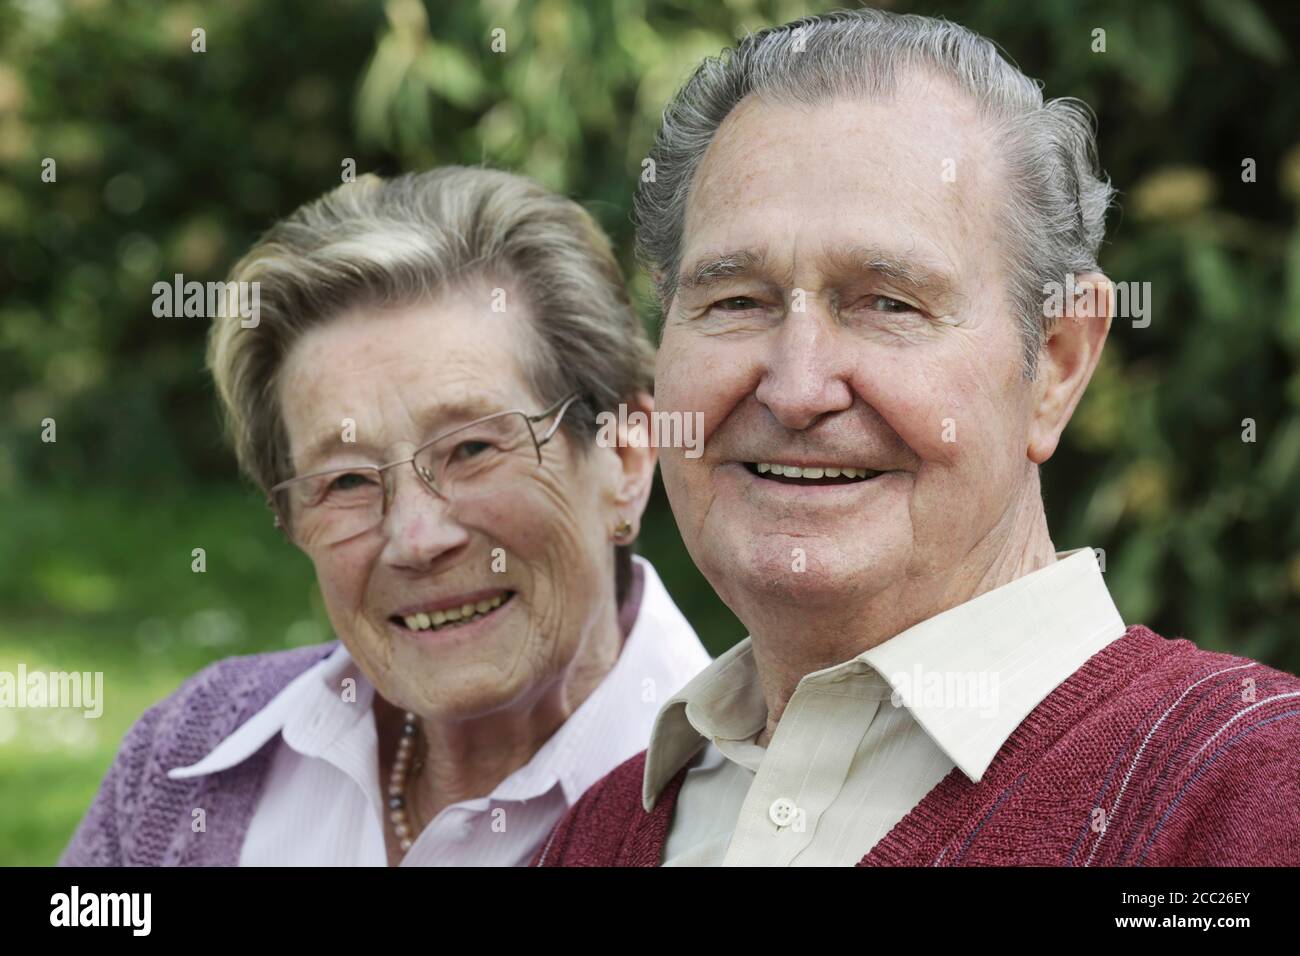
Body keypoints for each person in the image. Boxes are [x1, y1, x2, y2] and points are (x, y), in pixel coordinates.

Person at [535, 9, 1300, 867]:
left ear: (1055, 363)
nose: (796, 389)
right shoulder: (589, 841)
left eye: (887, 303)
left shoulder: (1253, 801)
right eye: (736, 301)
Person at [60, 166, 710, 866]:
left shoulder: (746, 815)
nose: (417, 537)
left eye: (471, 448)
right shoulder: (189, 762)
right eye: (344, 480)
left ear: (627, 455)